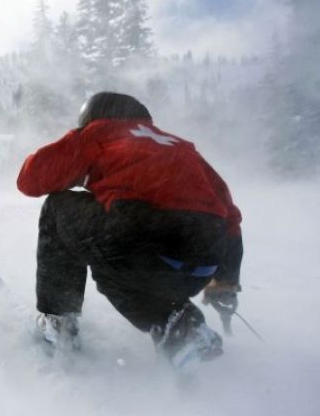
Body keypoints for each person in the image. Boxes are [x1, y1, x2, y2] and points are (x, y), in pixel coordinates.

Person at [16, 92, 243, 364]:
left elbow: (30, 180)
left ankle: (57, 324)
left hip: (144, 245)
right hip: (200, 265)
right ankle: (180, 325)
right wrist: (226, 283)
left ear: (92, 118)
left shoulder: (99, 133)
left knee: (61, 208)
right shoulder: (182, 147)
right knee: (115, 256)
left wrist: (78, 138)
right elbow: (231, 219)